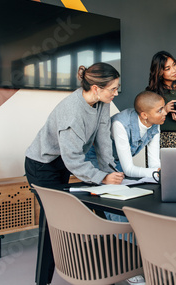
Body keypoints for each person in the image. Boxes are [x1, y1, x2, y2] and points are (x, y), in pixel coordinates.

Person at [25, 62, 124, 284]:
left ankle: (98, 268)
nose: (116, 93)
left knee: (85, 208)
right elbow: (73, 160)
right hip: (42, 165)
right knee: (54, 220)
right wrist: (101, 178)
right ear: (97, 88)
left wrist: (110, 172)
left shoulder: (102, 101)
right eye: (113, 89)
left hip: (61, 162)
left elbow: (102, 139)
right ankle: (43, 279)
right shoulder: (72, 112)